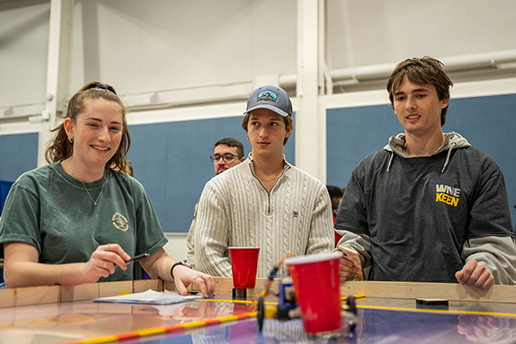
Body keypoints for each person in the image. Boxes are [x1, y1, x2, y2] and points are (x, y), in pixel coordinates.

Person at [0, 81, 214, 297]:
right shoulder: (31, 188)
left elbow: (155, 258)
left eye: (114, 128)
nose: (105, 137)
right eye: (93, 125)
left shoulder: (131, 190)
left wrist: (179, 270)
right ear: (70, 128)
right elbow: (15, 273)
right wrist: (81, 271)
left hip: (115, 320)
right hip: (49, 321)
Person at [336, 57, 516, 289]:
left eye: (420, 95)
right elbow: (356, 239)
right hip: (385, 310)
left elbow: (495, 247)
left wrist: (485, 266)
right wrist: (348, 257)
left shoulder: (479, 168)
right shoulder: (369, 169)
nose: (409, 104)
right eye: (401, 97)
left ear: (443, 100)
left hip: (455, 311)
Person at [195, 85, 333, 278]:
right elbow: (207, 258)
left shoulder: (314, 191)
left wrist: (284, 294)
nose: (263, 133)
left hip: (292, 304)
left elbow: (321, 259)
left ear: (288, 130)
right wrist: (250, 292)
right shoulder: (218, 188)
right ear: (247, 128)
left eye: (273, 124)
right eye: (256, 124)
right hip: (236, 305)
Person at [185, 138, 245, 268]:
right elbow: (194, 245)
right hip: (206, 278)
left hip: (239, 278)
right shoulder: (208, 195)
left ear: (242, 162)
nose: (221, 162)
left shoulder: (248, 196)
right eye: (217, 158)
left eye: (228, 157)